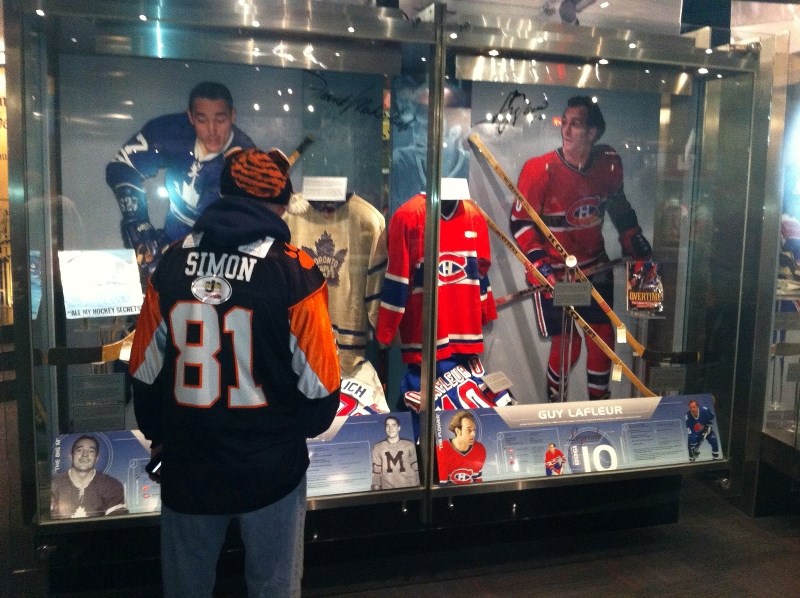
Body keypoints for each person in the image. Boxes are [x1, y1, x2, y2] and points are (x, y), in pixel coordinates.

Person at [128, 147, 341, 597]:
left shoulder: (169, 263)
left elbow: (143, 373)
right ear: (282, 205)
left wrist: (165, 431)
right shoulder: (297, 272)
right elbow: (322, 396)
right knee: (274, 588)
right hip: (272, 470)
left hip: (189, 464)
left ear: (220, 195)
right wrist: (278, 431)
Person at [511, 95, 652, 402]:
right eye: (566, 120)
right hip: (554, 272)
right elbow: (520, 224)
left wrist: (632, 235)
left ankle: (598, 406)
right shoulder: (539, 170)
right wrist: (539, 263)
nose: (566, 128)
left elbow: (619, 206)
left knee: (603, 341)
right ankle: (556, 403)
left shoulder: (608, 163)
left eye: (576, 123)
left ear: (592, 133)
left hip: (593, 265)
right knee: (568, 344)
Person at [106, 81, 255, 278]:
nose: (212, 130)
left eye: (220, 119)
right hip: (172, 238)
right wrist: (138, 225)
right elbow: (122, 167)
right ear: (190, 117)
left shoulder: (247, 161)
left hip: (219, 257)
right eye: (202, 120)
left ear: (233, 116)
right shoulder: (171, 131)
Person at [50, 435, 128, 519]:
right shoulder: (53, 484)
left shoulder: (112, 486)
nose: (85, 455)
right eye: (79, 450)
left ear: (96, 458)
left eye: (91, 451)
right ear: (71, 456)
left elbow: (116, 525)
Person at [437, 410, 487, 485]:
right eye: (469, 430)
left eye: (474, 429)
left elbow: (478, 481)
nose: (473, 434)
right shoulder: (441, 450)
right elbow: (442, 487)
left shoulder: (480, 449)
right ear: (457, 431)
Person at [371, 416, 420, 490]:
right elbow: (376, 471)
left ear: (399, 428)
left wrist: (417, 487)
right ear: (385, 428)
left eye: (393, 425)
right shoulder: (378, 447)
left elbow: (416, 468)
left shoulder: (409, 445)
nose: (390, 428)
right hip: (388, 490)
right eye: (387, 426)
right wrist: (376, 490)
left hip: (409, 487)